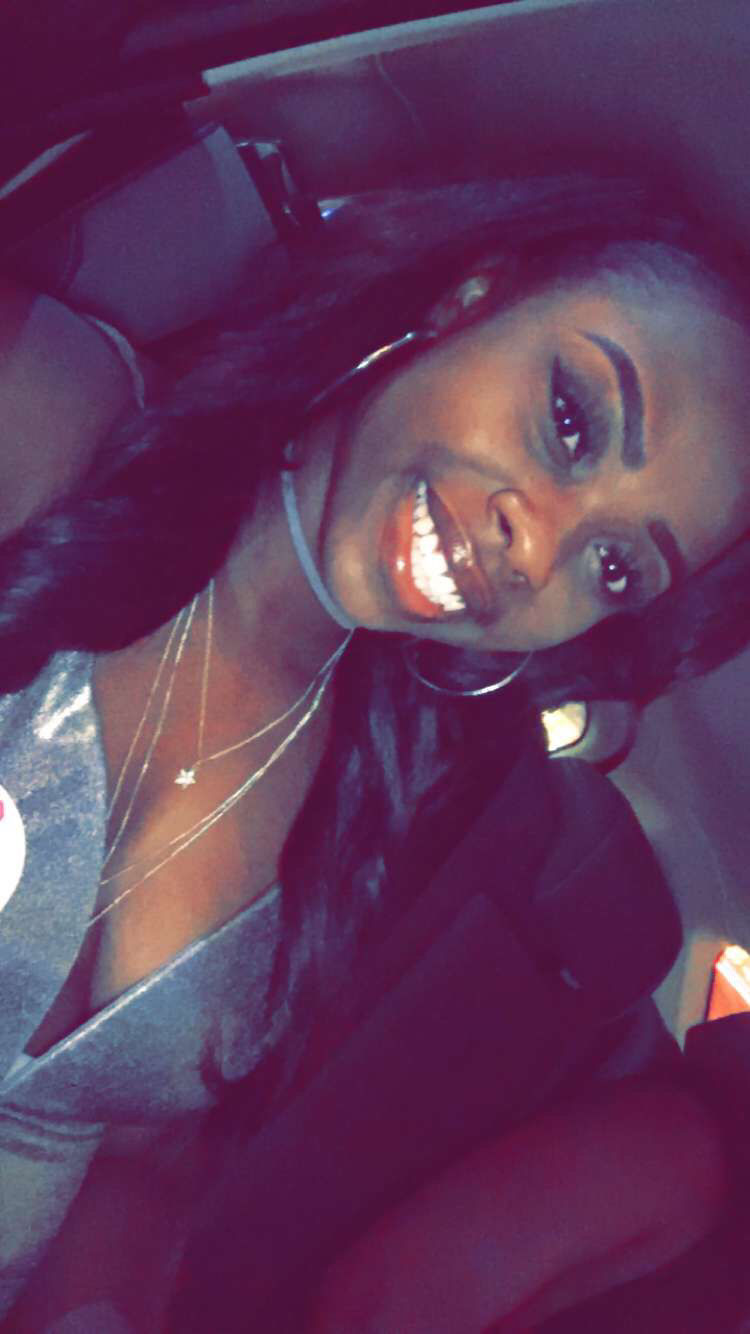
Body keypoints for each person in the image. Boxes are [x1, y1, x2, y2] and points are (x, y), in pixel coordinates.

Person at [2, 173, 750, 1331]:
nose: (537, 549)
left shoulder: (358, 814)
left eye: (615, 567)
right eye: (570, 418)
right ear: (468, 299)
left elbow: (140, 1168)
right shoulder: (51, 412)